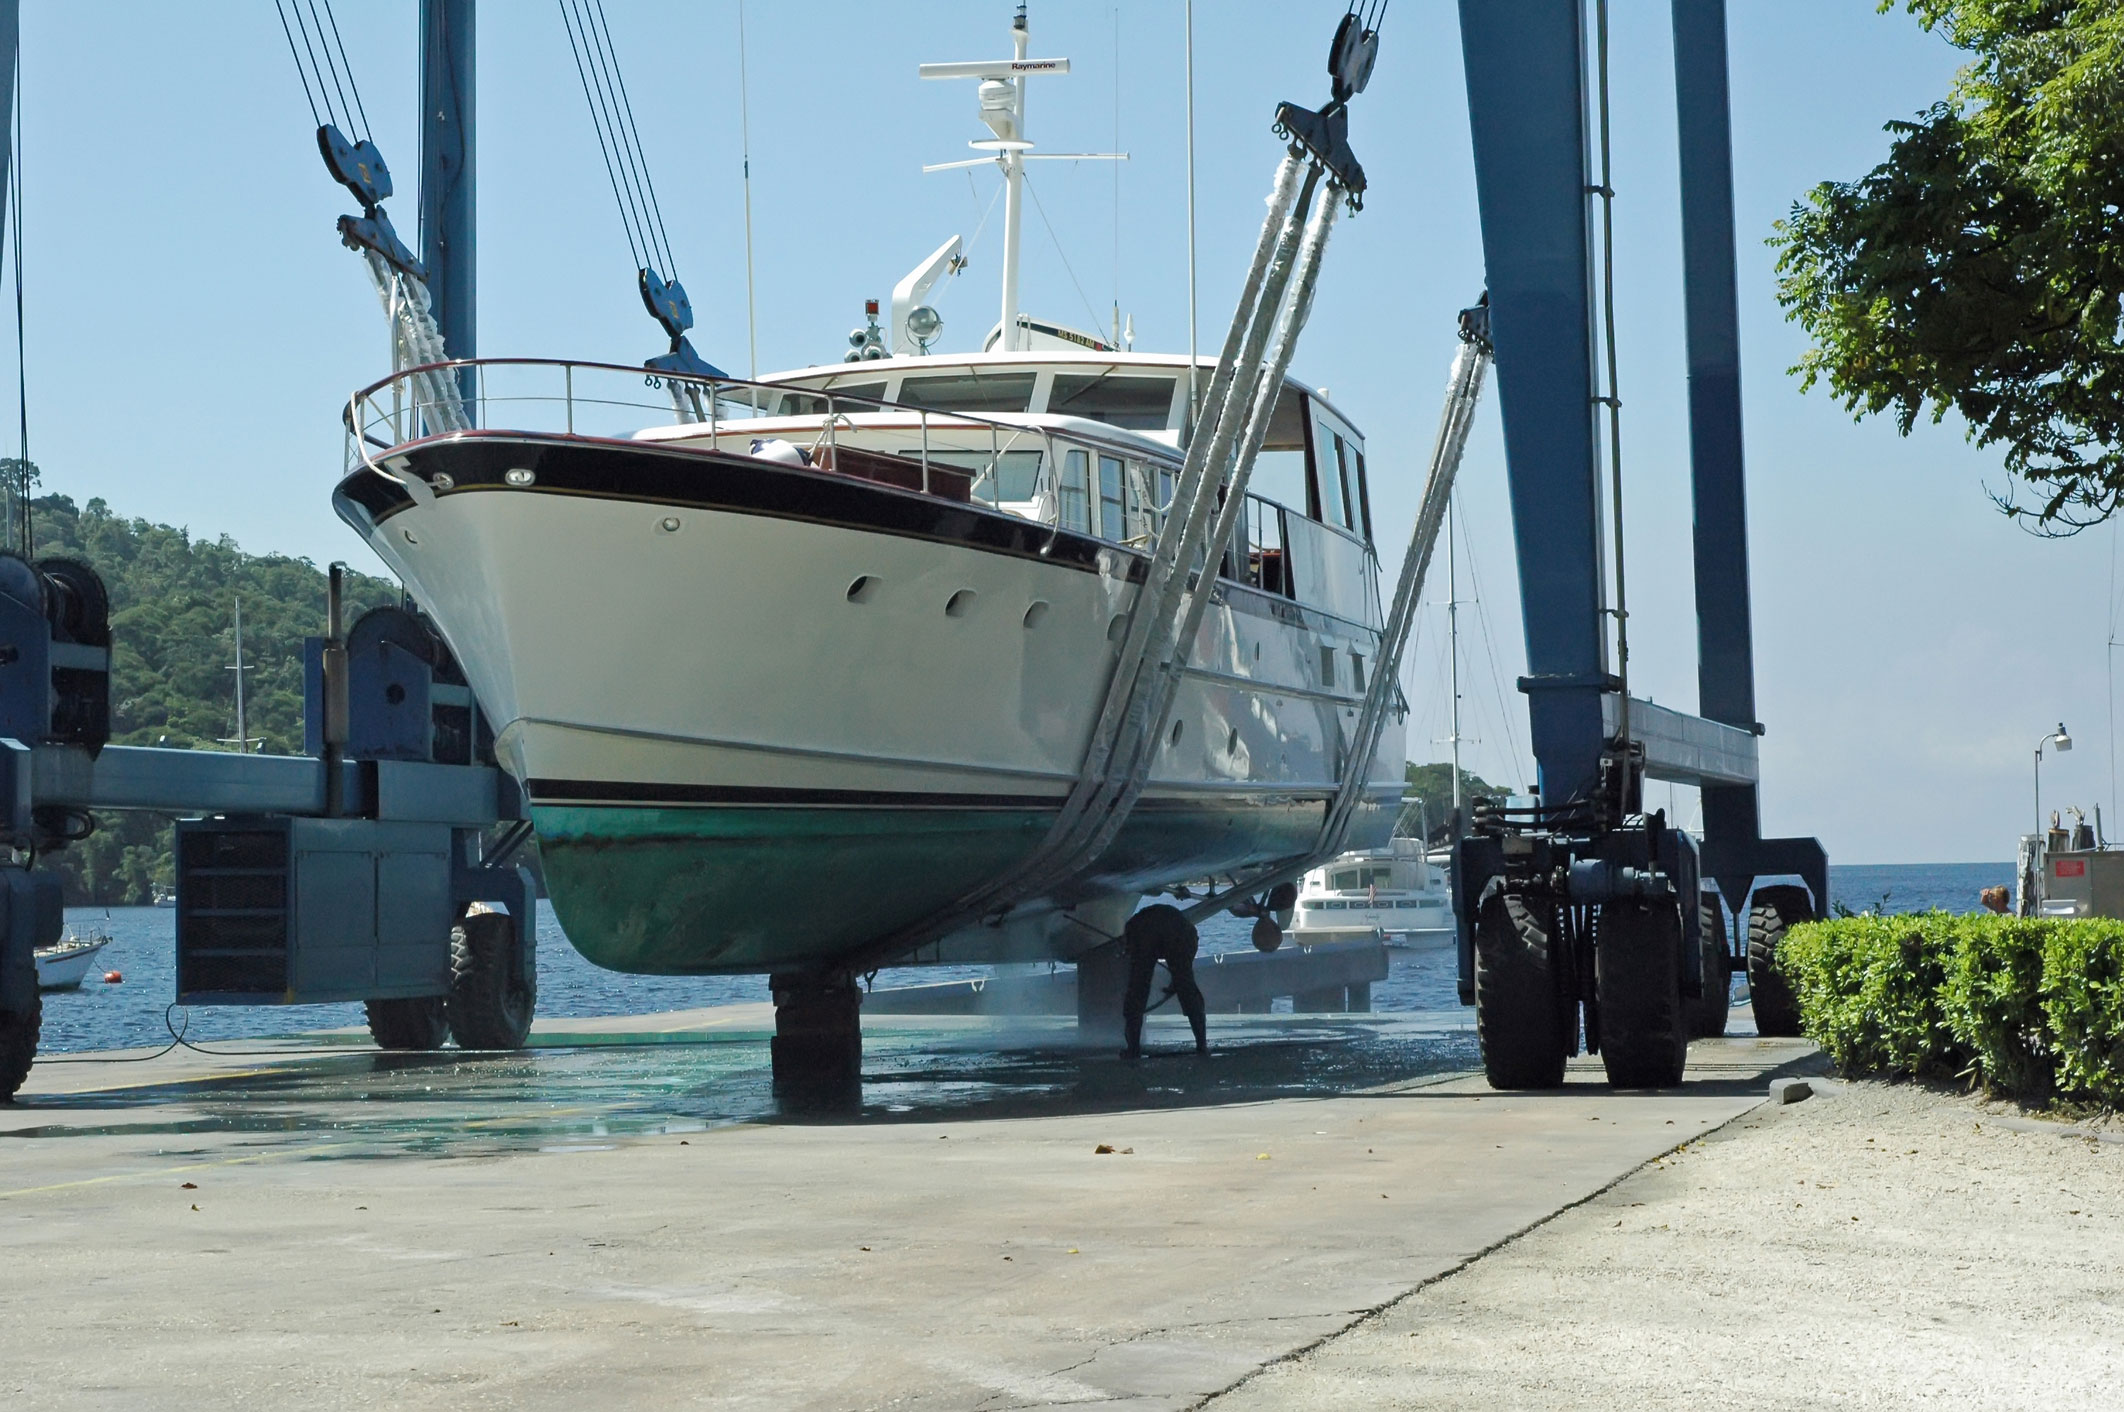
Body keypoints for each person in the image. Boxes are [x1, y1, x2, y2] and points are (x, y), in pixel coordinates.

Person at [1121, 903, 1208, 1059]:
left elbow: (1136, 961)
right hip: (1176, 929)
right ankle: (1202, 1045)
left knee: (1138, 989)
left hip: (1147, 930)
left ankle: (1133, 1049)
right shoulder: (1188, 932)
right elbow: (1184, 966)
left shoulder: (1135, 927)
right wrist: (1179, 979)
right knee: (1187, 987)